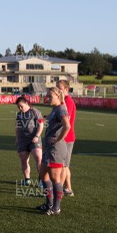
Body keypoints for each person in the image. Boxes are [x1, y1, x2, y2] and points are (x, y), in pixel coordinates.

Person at [36, 87, 71, 216]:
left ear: (58, 96)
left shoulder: (61, 108)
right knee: (43, 175)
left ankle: (56, 208)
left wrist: (59, 139)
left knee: (55, 179)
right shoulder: (56, 108)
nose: (47, 98)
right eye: (47, 96)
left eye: (50, 96)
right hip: (49, 147)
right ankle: (48, 204)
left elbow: (67, 126)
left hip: (55, 148)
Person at [15, 96, 44, 187]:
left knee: (38, 157)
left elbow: (41, 125)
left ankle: (42, 180)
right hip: (23, 140)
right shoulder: (19, 114)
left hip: (34, 139)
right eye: (18, 107)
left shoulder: (35, 112)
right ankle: (27, 179)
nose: (20, 108)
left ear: (26, 103)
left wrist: (37, 136)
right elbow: (17, 127)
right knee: (24, 159)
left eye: (21, 106)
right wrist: (17, 138)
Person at [56, 80, 76, 196]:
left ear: (66, 90)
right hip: (67, 137)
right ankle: (68, 188)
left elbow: (64, 119)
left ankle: (59, 191)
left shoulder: (67, 102)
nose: (58, 91)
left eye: (60, 89)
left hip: (66, 137)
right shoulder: (65, 101)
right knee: (65, 165)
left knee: (63, 166)